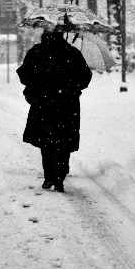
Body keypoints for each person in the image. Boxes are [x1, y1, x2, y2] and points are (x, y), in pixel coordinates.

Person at [17, 24, 92, 191]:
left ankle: (49, 176)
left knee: (46, 142)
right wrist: (72, 88)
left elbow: (23, 74)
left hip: (43, 104)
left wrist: (37, 85)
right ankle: (60, 176)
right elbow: (86, 77)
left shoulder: (36, 52)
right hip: (67, 105)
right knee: (63, 141)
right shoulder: (72, 53)